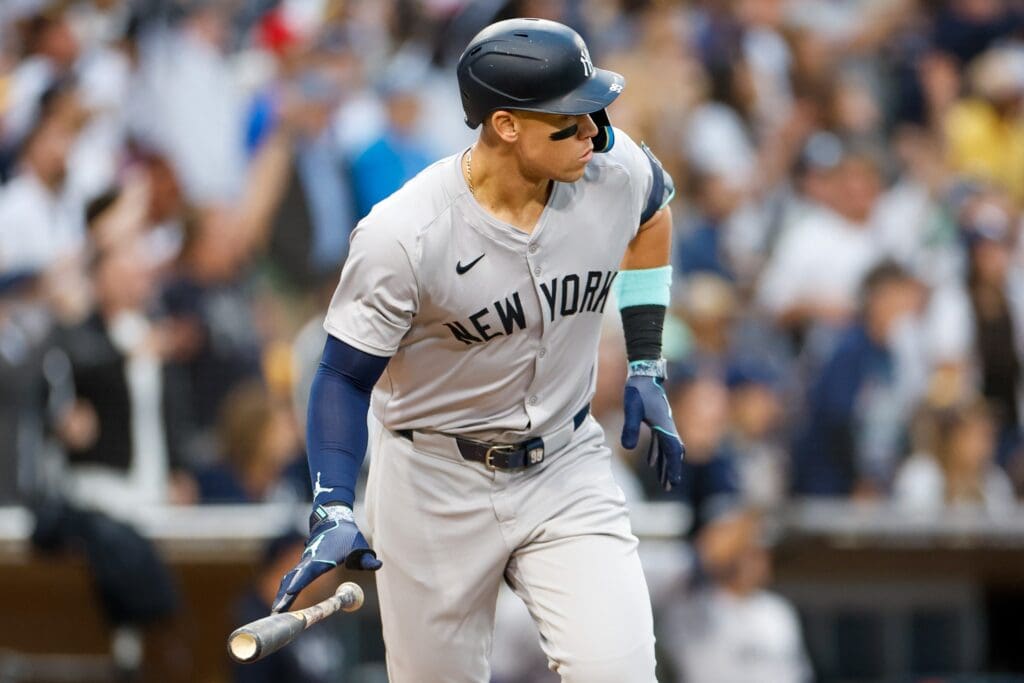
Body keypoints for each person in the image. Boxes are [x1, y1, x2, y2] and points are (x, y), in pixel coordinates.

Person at [270, 18, 684, 683]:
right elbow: (343, 377)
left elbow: (655, 210)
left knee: (621, 670)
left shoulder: (614, 167)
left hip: (563, 461)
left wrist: (645, 359)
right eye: (568, 118)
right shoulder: (405, 234)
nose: (592, 131)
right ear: (506, 125)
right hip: (433, 478)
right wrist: (333, 504)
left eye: (593, 109)